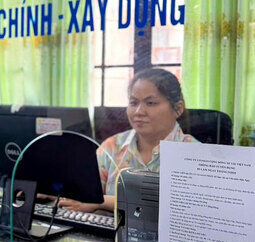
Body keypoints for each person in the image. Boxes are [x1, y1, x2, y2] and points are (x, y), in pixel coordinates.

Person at [60, 68, 198, 213]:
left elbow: (179, 209)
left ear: (178, 108)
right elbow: (84, 192)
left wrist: (101, 202)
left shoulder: (195, 156)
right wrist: (53, 190)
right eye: (133, 103)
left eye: (150, 103)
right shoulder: (112, 146)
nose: (139, 111)